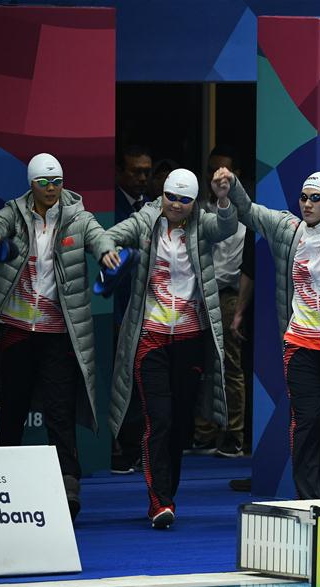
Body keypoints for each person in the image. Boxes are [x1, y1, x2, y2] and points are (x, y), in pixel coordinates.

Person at [211, 113, 320, 499]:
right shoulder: (289, 229)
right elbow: (250, 212)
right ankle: (308, 502)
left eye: (315, 198)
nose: (306, 203)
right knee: (307, 422)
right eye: (303, 197)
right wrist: (231, 185)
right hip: (301, 344)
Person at [0, 153, 120, 520]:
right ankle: (1, 484)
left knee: (60, 411)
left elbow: (98, 235)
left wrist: (106, 253)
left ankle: (68, 486)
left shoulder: (76, 215)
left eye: (57, 181)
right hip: (17, 329)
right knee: (12, 410)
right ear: (32, 183)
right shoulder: (15, 211)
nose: (52, 189)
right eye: (45, 182)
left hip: (58, 332)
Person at [106, 168, 237, 528]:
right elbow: (111, 236)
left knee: (180, 426)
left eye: (184, 199)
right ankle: (158, 500)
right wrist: (108, 252)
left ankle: (168, 494)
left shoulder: (202, 225)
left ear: (194, 202)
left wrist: (224, 197)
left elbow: (227, 226)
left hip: (191, 340)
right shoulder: (146, 220)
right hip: (151, 337)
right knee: (159, 420)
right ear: (161, 194)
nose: (176, 205)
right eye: (171, 197)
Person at [191, 146, 253, 457]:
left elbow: (248, 267)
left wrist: (240, 308)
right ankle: (203, 434)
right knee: (199, 365)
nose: (216, 176)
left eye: (223, 170)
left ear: (236, 175)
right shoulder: (198, 210)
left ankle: (233, 435)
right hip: (197, 296)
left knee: (230, 365)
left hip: (227, 296)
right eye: (211, 169)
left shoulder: (246, 213)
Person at [111, 144, 155, 475]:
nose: (142, 177)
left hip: (148, 311)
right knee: (116, 382)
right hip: (112, 310)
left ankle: (136, 448)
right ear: (119, 172)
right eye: (135, 171)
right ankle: (117, 449)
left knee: (142, 383)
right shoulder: (108, 208)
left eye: (146, 172)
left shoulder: (156, 208)